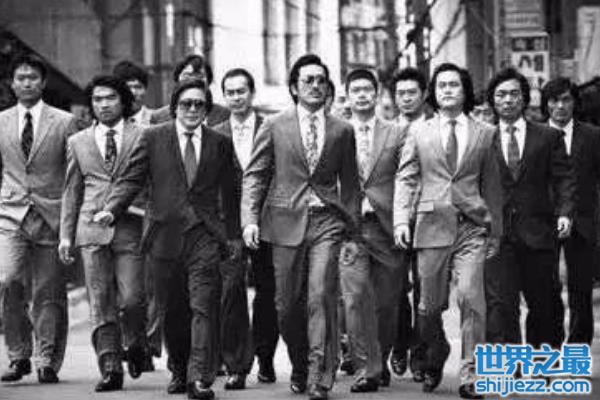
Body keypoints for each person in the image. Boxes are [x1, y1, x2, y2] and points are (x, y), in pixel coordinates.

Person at [92, 78, 240, 400]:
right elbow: (130, 179)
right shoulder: (153, 137)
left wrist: (233, 236)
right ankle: (179, 369)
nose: (192, 109)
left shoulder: (219, 143)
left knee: (203, 306)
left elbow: (232, 191)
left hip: (204, 234)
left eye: (199, 104)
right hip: (164, 236)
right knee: (173, 309)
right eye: (186, 103)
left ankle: (199, 378)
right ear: (174, 108)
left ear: (207, 109)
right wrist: (111, 210)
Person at [241, 54, 361, 400]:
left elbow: (351, 186)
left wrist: (352, 232)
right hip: (283, 222)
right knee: (286, 305)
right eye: (308, 80)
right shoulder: (274, 125)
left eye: (321, 80)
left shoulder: (342, 130)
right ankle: (300, 363)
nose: (315, 86)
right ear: (294, 87)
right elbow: (255, 175)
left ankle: (320, 375)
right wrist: (249, 219)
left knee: (321, 296)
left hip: (327, 221)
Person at [394, 63, 502, 399]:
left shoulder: (485, 132)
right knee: (428, 308)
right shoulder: (419, 132)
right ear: (433, 93)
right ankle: (437, 349)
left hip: (472, 226)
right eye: (441, 85)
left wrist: (495, 230)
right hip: (431, 226)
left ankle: (471, 374)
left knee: (471, 298)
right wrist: (401, 219)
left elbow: (493, 186)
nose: (447, 90)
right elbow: (406, 177)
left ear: (465, 90)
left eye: (454, 84)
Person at [59, 75, 148, 391]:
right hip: (91, 228)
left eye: (110, 98)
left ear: (123, 101)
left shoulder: (143, 135)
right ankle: (110, 367)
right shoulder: (78, 141)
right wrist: (66, 235)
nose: (104, 104)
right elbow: (71, 191)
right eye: (97, 99)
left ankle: (136, 343)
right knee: (100, 300)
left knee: (133, 298)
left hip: (131, 227)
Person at [484, 68, 575, 352]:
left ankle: (541, 358)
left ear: (524, 98)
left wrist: (565, 213)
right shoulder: (482, 138)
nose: (508, 100)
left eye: (514, 94)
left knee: (543, 302)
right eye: (501, 94)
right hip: (497, 237)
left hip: (539, 234)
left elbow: (564, 179)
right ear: (492, 100)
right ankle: (512, 364)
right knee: (502, 305)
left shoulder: (547, 137)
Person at [0, 54, 76, 384]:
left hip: (51, 214)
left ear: (43, 83)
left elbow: (73, 175)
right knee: (7, 280)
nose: (27, 83)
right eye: (21, 78)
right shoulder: (1, 121)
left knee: (49, 290)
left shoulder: (64, 121)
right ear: (12, 83)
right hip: (11, 213)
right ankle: (18, 355)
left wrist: (69, 222)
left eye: (33, 77)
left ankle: (46, 359)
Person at [340, 68, 408, 393]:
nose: (362, 95)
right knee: (354, 300)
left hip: (387, 227)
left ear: (377, 93)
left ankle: (381, 356)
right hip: (350, 228)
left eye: (368, 89)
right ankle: (367, 368)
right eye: (356, 90)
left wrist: (403, 220)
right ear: (347, 96)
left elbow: (408, 179)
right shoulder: (336, 132)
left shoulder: (397, 133)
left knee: (387, 303)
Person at [213, 68, 276, 389]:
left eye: (241, 91)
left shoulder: (271, 127)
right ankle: (236, 364)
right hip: (229, 226)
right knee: (231, 291)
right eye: (230, 92)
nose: (236, 97)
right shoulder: (215, 133)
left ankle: (265, 357)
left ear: (252, 93)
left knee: (268, 291)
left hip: (269, 221)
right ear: (224, 96)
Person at [543, 78, 599, 345]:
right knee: (547, 286)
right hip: (544, 222)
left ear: (575, 102)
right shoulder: (536, 135)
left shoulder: (593, 136)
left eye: (566, 99)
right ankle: (551, 342)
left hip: (584, 221)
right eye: (554, 100)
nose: (560, 106)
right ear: (546, 104)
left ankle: (578, 347)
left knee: (581, 289)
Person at [388, 66, 431, 382]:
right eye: (400, 93)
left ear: (424, 95)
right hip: (393, 220)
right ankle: (399, 342)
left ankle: (420, 353)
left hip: (430, 219)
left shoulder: (435, 128)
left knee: (426, 292)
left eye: (411, 93)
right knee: (395, 287)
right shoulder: (387, 131)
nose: (405, 98)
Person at [151, 54, 230, 127]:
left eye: (199, 76)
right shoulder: (159, 117)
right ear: (177, 79)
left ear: (209, 81)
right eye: (187, 75)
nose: (193, 80)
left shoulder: (224, 114)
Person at [113, 60, 155, 125]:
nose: (133, 93)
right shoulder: (104, 123)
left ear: (145, 90)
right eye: (127, 87)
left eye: (138, 87)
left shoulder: (158, 120)